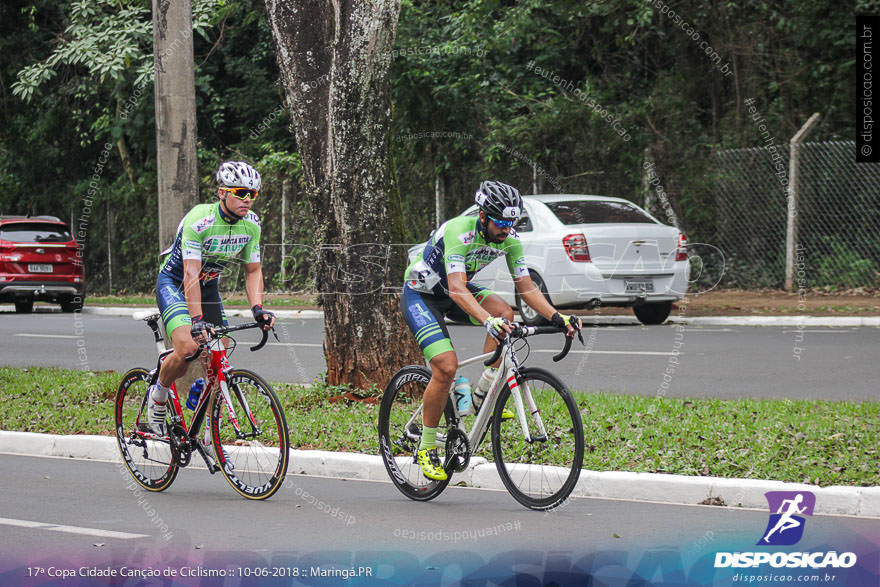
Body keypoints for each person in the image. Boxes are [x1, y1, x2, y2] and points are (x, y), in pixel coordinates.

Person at [401, 180, 581, 481]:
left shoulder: (510, 239)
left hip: (452, 289)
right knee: (446, 367)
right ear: (483, 216)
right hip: (422, 294)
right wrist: (487, 321)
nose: (506, 229)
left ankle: (481, 396)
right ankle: (426, 447)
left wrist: (557, 316)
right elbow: (458, 288)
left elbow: (526, 288)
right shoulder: (460, 230)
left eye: (512, 222)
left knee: (504, 313)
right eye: (500, 222)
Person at [146, 161, 276, 435]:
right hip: (176, 283)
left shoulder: (251, 225)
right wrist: (196, 321)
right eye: (241, 192)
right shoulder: (200, 219)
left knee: (220, 353)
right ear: (222, 192)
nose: (248, 200)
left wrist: (257, 309)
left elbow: (253, 270)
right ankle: (158, 395)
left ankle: (208, 434)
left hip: (206, 288)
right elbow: (191, 272)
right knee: (187, 348)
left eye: (253, 194)